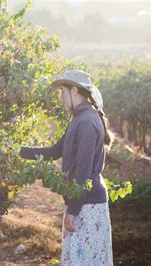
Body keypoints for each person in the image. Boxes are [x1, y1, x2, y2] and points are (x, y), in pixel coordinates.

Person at [18, 70, 113, 265]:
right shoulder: (78, 118)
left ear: (75, 90)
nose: (61, 97)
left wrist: (73, 209)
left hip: (88, 203)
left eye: (63, 92)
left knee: (85, 260)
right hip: (83, 201)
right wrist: (17, 151)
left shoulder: (86, 122)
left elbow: (84, 171)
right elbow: (54, 151)